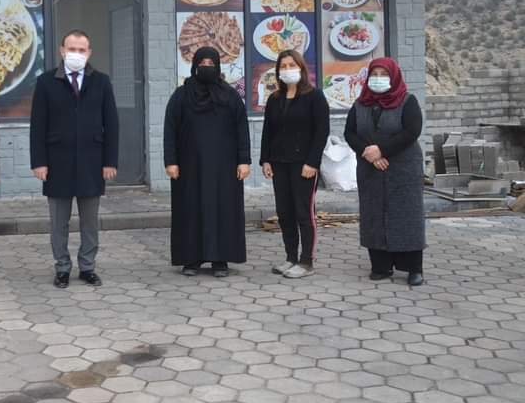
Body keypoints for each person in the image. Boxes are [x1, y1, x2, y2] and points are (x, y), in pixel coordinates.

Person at [30, 30, 119, 289]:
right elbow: (38, 125)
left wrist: (110, 161)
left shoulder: (101, 82)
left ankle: (87, 267)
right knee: (59, 222)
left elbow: (111, 124)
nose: (76, 54)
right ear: (61, 50)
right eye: (72, 49)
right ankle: (62, 268)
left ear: (89, 52)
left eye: (82, 50)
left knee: (90, 222)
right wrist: (39, 162)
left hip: (93, 161)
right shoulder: (46, 82)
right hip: (57, 162)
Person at [163, 47, 251, 277]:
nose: (207, 67)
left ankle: (220, 259)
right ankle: (191, 259)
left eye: (211, 63)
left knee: (223, 210)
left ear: (218, 66)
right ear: (194, 65)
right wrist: (170, 161)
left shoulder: (230, 95)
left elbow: (242, 128)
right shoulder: (181, 95)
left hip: (224, 168)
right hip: (189, 166)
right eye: (202, 62)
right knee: (190, 210)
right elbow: (170, 129)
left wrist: (244, 161)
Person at [344, 57, 426, 286]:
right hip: (371, 169)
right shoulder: (361, 104)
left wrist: (382, 151)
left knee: (406, 217)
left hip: (403, 169)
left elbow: (412, 131)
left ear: (394, 76)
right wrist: (368, 153)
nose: (378, 79)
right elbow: (350, 133)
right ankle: (380, 266)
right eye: (374, 74)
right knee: (374, 216)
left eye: (384, 74)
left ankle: (413, 268)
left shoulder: (407, 101)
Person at [259, 50, 330, 279]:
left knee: (303, 212)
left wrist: (312, 162)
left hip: (303, 165)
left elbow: (322, 132)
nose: (288, 69)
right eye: (283, 66)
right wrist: (265, 159)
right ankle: (290, 257)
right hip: (279, 163)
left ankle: (306, 261)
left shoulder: (314, 96)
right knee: (284, 212)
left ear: (301, 67)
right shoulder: (275, 98)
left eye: (292, 65)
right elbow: (267, 131)